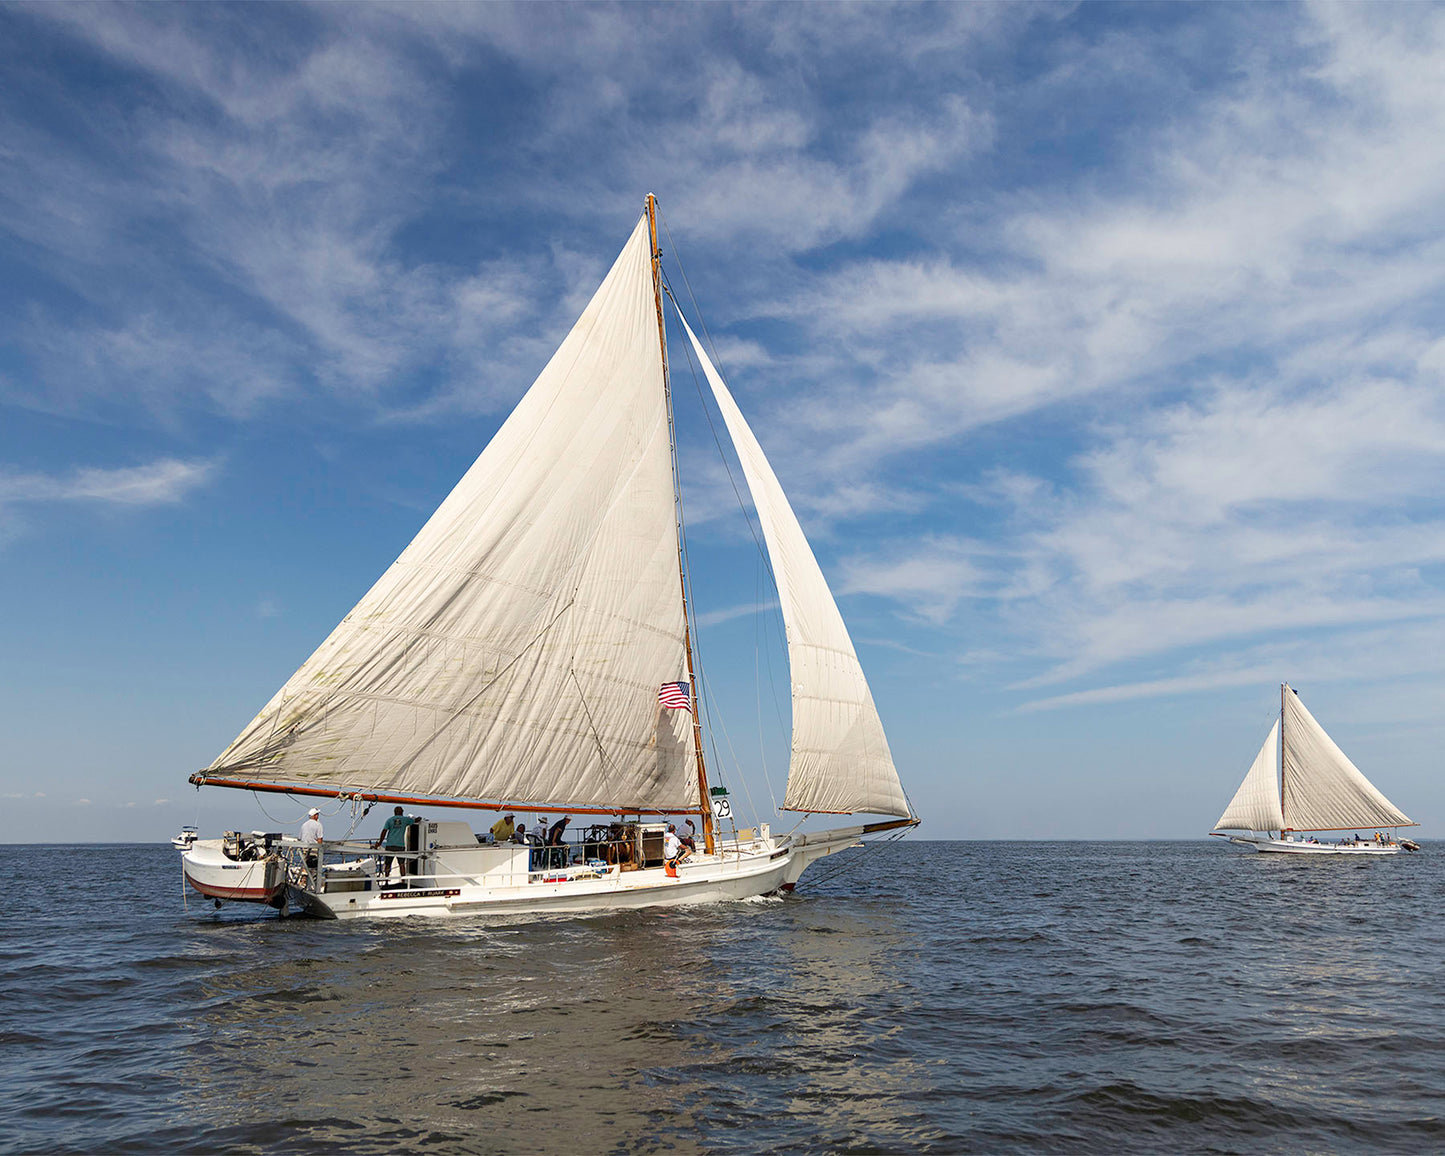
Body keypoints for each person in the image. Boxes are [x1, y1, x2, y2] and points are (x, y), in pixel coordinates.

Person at [373, 806, 411, 879]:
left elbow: (384, 831)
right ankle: (403, 881)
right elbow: (414, 820)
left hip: (390, 845)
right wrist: (418, 818)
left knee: (388, 864)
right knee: (401, 864)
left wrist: (379, 843)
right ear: (401, 812)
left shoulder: (389, 820)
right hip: (400, 845)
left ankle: (386, 880)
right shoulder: (405, 820)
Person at [300, 807, 324, 873]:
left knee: (305, 866)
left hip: (304, 848)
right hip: (313, 849)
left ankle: (304, 880)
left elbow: (301, 837)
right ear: (315, 815)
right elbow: (319, 839)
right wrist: (320, 851)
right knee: (314, 868)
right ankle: (313, 880)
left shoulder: (304, 825)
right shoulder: (318, 825)